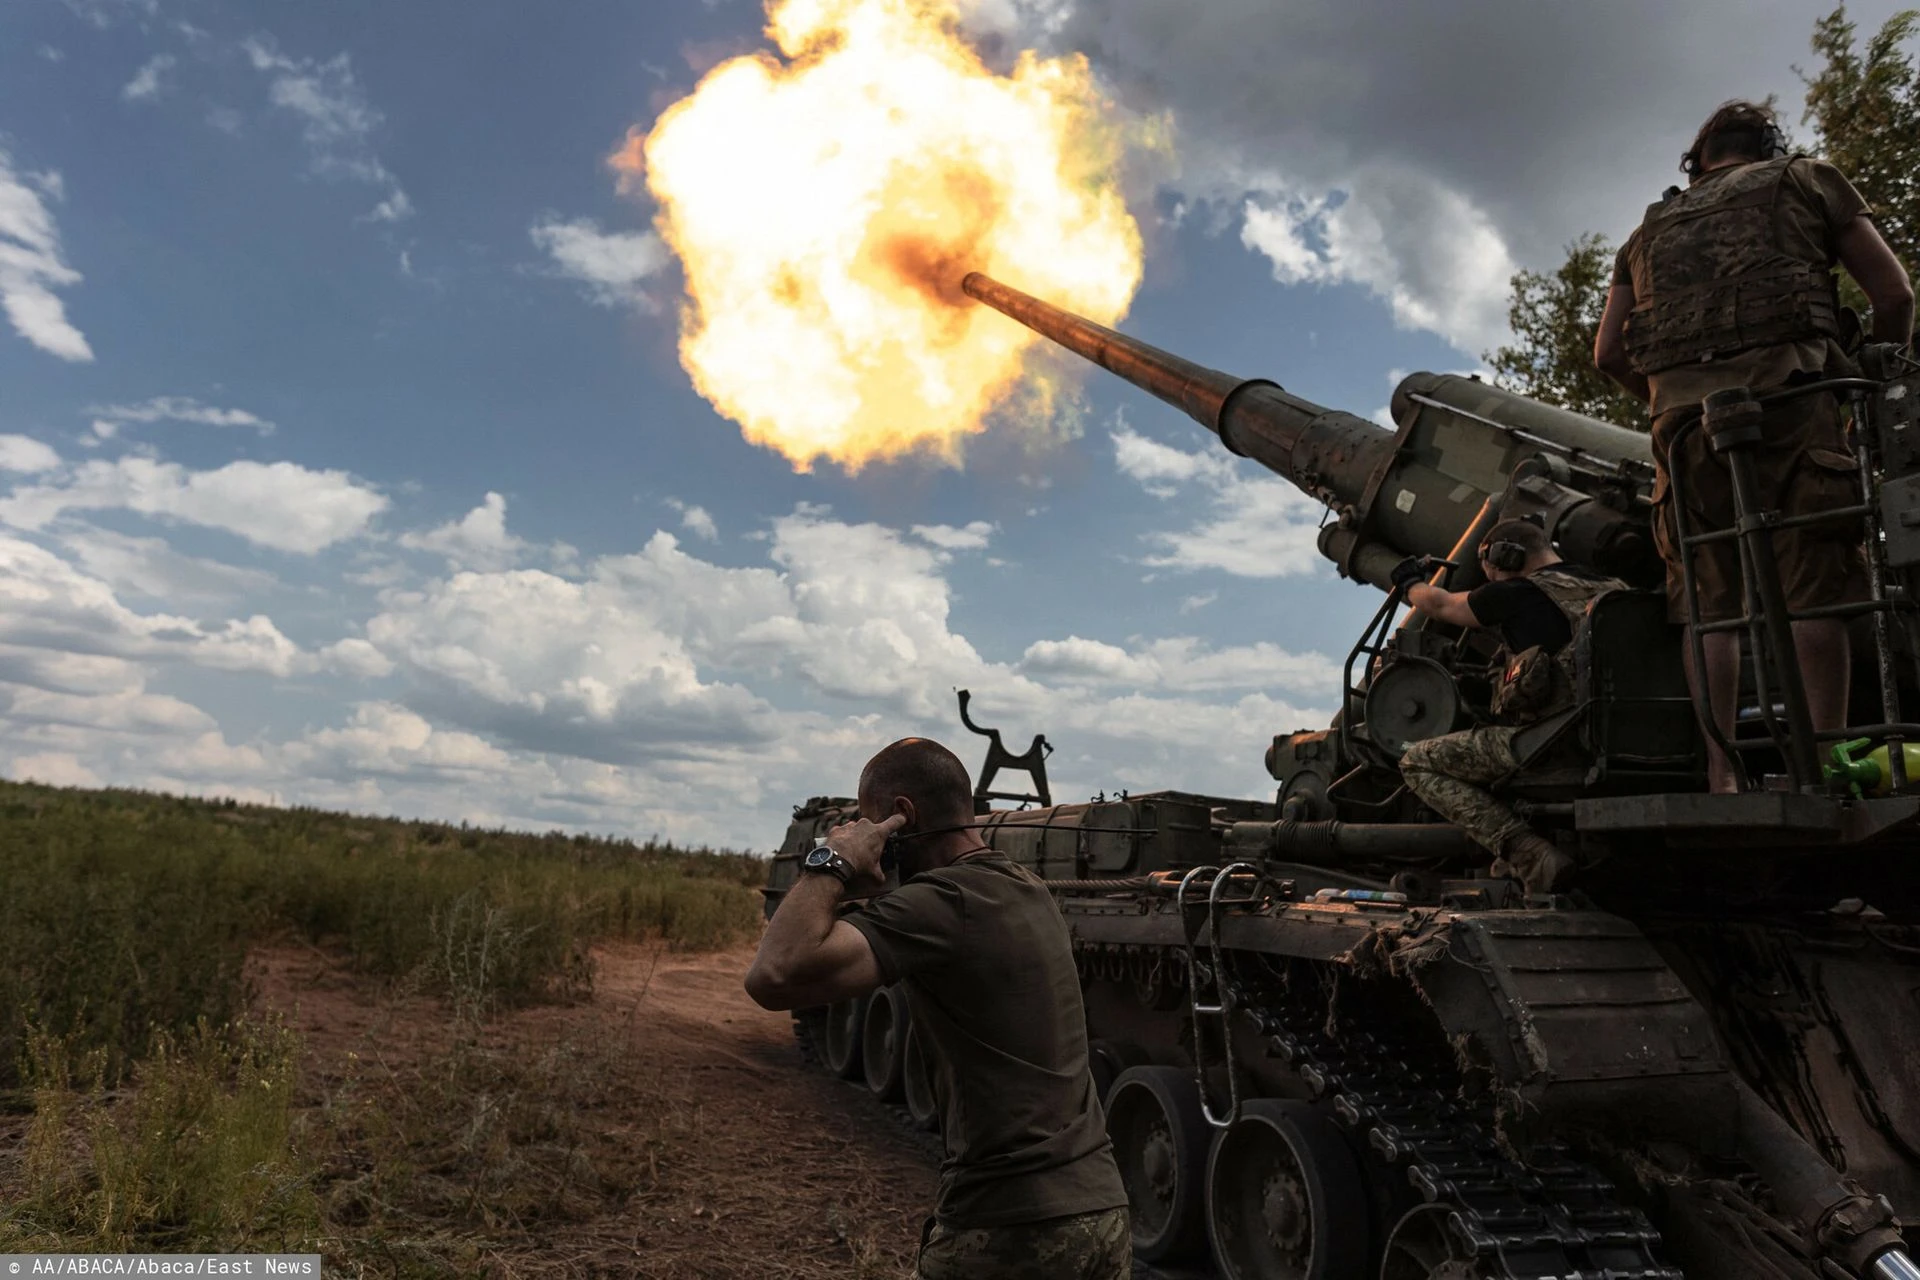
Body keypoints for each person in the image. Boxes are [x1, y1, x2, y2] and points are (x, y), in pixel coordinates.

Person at [1593, 99, 1915, 792]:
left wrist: (1665, 404)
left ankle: (1722, 776)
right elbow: (1894, 296)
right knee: (1813, 590)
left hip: (1684, 433)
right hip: (1796, 406)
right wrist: (1862, 392)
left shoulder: (1644, 234)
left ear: (1697, 162)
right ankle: (1821, 764)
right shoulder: (1808, 180)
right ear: (1767, 148)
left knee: (1709, 607)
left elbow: (1608, 353)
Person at [743, 737, 1130, 1280]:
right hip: (1101, 1211)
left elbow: (773, 975)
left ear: (901, 818)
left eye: (869, 823)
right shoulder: (1028, 888)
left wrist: (833, 861)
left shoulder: (941, 903)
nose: (866, 836)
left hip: (1011, 1225)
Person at [1391, 519, 1623, 892]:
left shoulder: (1518, 593)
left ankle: (1530, 855)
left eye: (1490, 570)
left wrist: (1409, 582)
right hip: (1625, 737)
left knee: (1417, 761)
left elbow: (1440, 604)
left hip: (1557, 743)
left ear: (1504, 556)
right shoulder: (1617, 590)